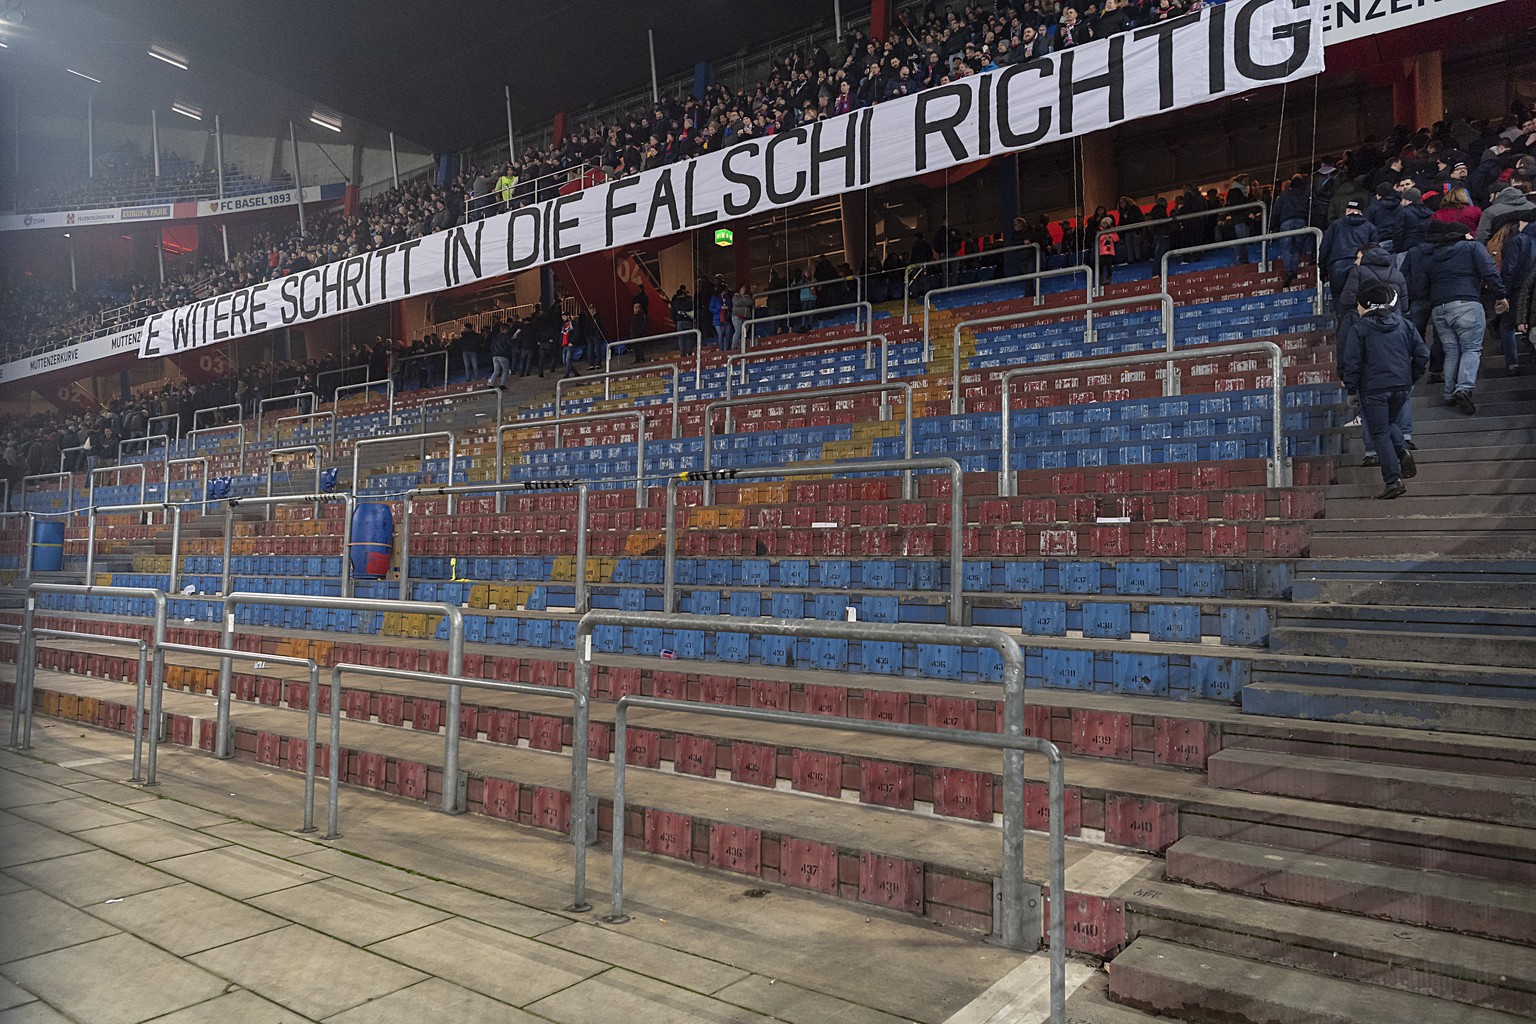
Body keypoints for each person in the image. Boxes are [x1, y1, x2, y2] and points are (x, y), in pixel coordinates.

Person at [1409, 219, 1508, 414]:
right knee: (1471, 348)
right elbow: (1489, 271)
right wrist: (1501, 294)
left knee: (1452, 350)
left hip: (1439, 308)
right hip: (1467, 302)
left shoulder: (1432, 255)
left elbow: (1420, 287)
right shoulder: (1472, 248)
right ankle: (1463, 388)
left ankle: (1448, 392)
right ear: (1464, 234)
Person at [1339, 282, 1428, 500]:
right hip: (1401, 385)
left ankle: (1393, 479)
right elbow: (1422, 354)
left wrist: (1351, 390)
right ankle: (1402, 450)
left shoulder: (1359, 329)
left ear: (1365, 305)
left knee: (1379, 433)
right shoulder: (1404, 324)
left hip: (1373, 389)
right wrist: (1411, 377)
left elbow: (1352, 362)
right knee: (1388, 423)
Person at [1318, 200, 1379, 309]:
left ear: (1348, 210)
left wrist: (1322, 270)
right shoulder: (1370, 227)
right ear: (1360, 211)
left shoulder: (1335, 225)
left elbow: (1324, 248)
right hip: (1360, 264)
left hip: (1338, 265)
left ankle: (1343, 323)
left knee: (1339, 299)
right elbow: (1374, 249)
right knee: (1361, 298)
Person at [559, 312, 582, 379]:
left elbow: (576, 332)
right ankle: (575, 373)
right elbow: (562, 335)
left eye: (564, 317)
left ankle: (567, 375)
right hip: (564, 344)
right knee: (564, 361)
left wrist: (572, 341)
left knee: (568, 360)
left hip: (569, 344)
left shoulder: (573, 323)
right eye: (562, 317)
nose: (563, 318)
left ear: (568, 316)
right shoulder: (563, 326)